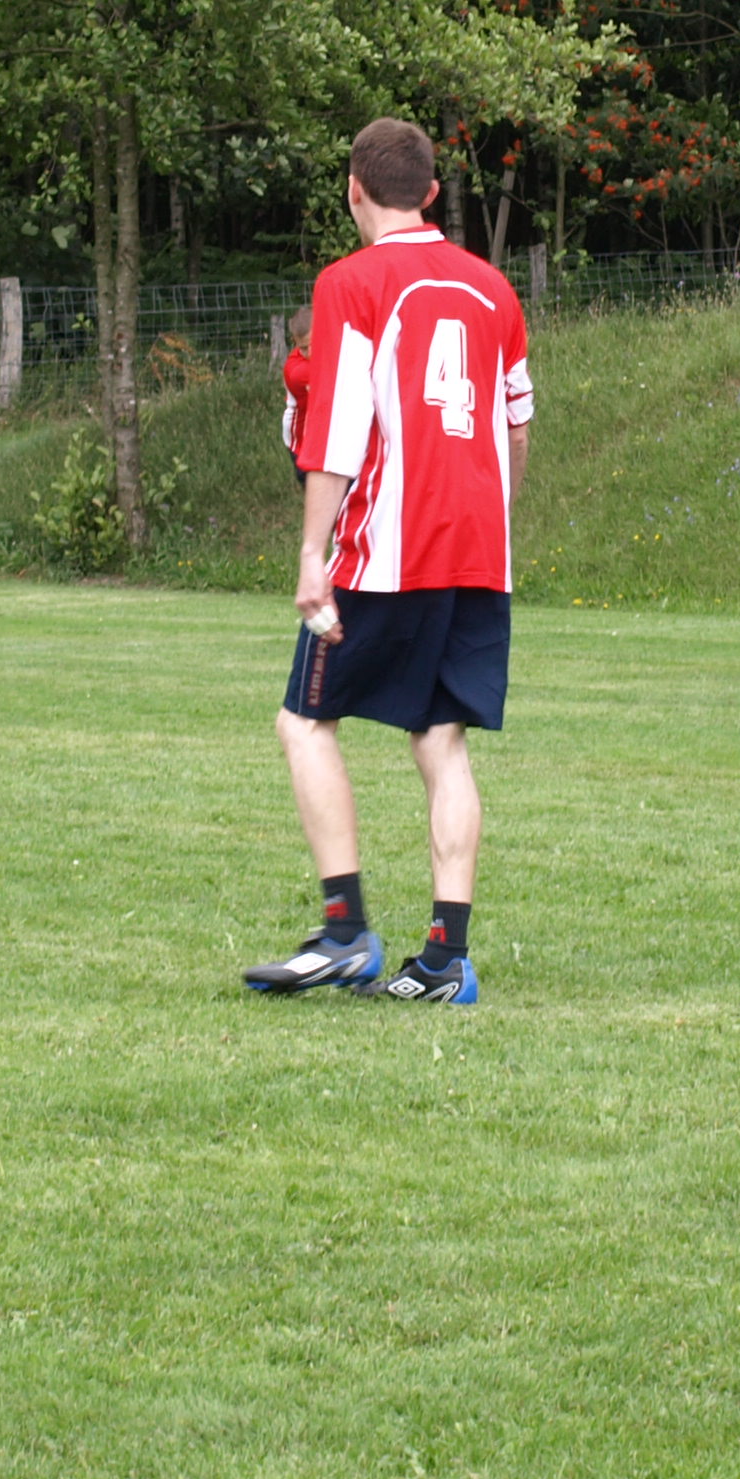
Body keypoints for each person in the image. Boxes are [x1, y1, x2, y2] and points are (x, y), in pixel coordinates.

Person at [248, 118, 534, 1005]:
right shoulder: (494, 289)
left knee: (304, 722)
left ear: (354, 189)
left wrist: (312, 554)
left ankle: (345, 933)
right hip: (478, 551)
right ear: (434, 194)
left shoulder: (352, 282)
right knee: (441, 739)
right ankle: (446, 959)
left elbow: (337, 429)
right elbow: (517, 423)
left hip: (388, 551)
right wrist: (493, 520)